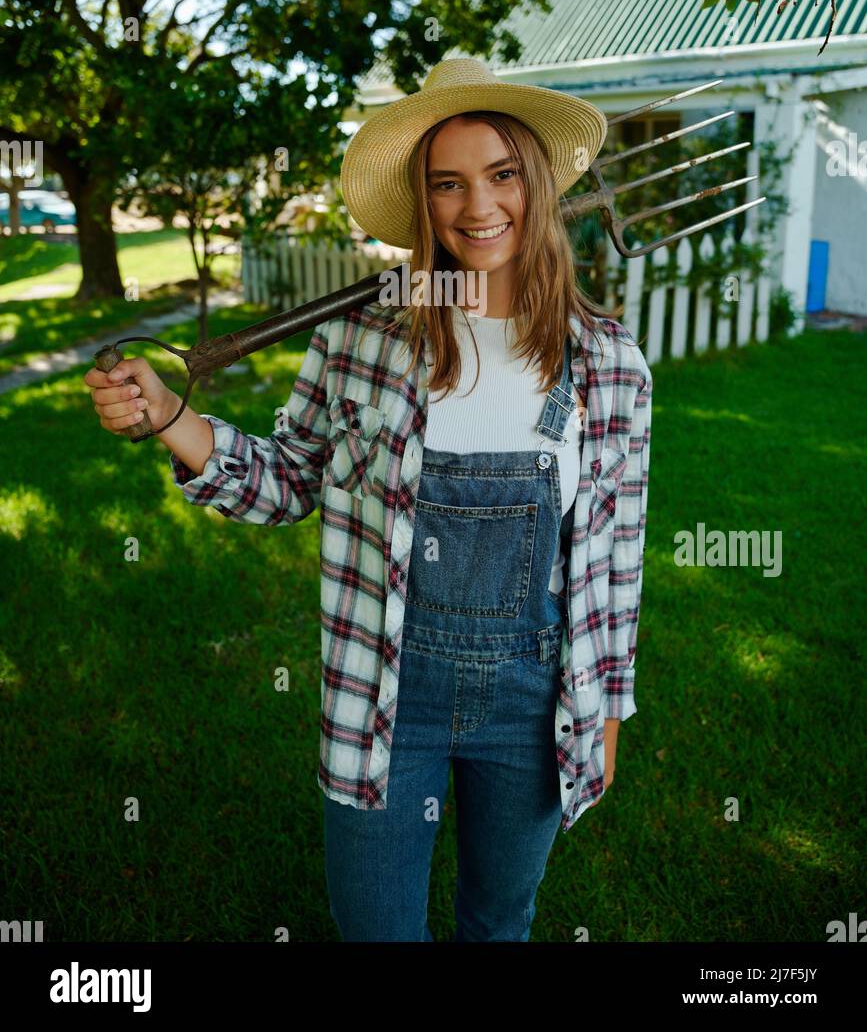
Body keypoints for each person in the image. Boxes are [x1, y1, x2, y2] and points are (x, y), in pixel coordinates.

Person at [84, 56, 653, 943]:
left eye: (502, 175)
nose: (479, 207)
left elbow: (616, 558)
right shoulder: (360, 341)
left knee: (498, 922)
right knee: (376, 928)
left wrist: (608, 708)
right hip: (386, 688)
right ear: (421, 204)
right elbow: (285, 480)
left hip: (535, 695)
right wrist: (167, 417)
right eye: (447, 184)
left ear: (537, 183)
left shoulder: (608, 362)